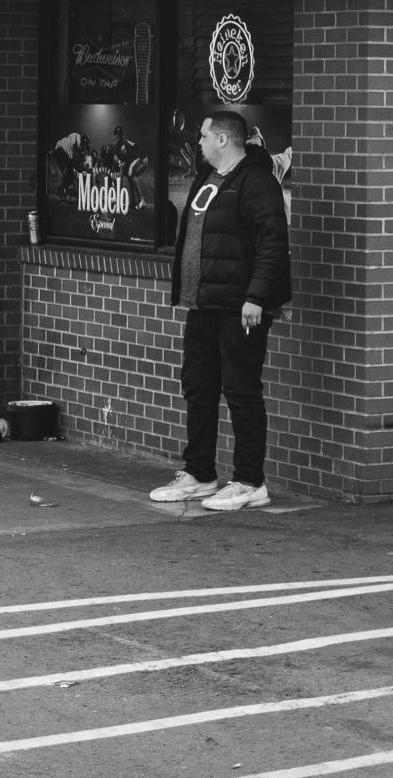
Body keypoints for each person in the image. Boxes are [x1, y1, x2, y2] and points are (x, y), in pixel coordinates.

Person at [150, 109, 292, 512]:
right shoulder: (207, 178)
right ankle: (200, 475)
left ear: (223, 140)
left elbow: (272, 243)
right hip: (203, 304)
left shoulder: (257, 181)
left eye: (203, 135)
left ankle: (250, 481)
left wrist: (257, 298)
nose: (198, 141)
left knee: (242, 391)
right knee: (199, 387)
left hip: (239, 306)